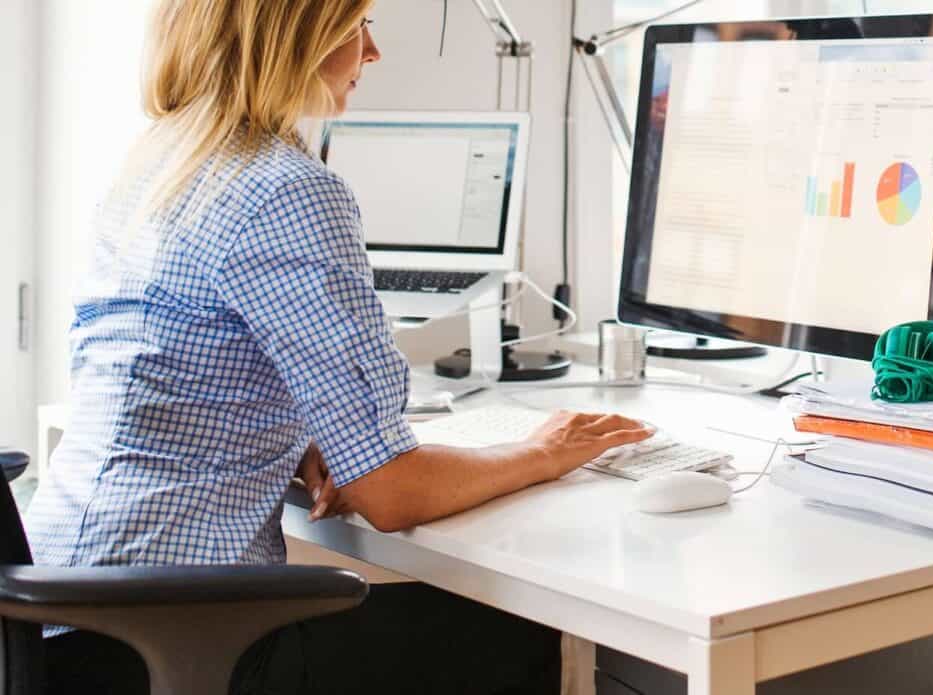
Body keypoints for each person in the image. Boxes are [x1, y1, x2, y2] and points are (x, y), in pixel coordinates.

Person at [24, 1, 651, 693]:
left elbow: (173, 379)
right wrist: (543, 450)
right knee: (522, 628)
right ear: (292, 39)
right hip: (170, 642)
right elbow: (388, 492)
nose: (374, 53)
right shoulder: (287, 192)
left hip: (58, 618)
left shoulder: (160, 163)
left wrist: (301, 439)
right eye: (355, 29)